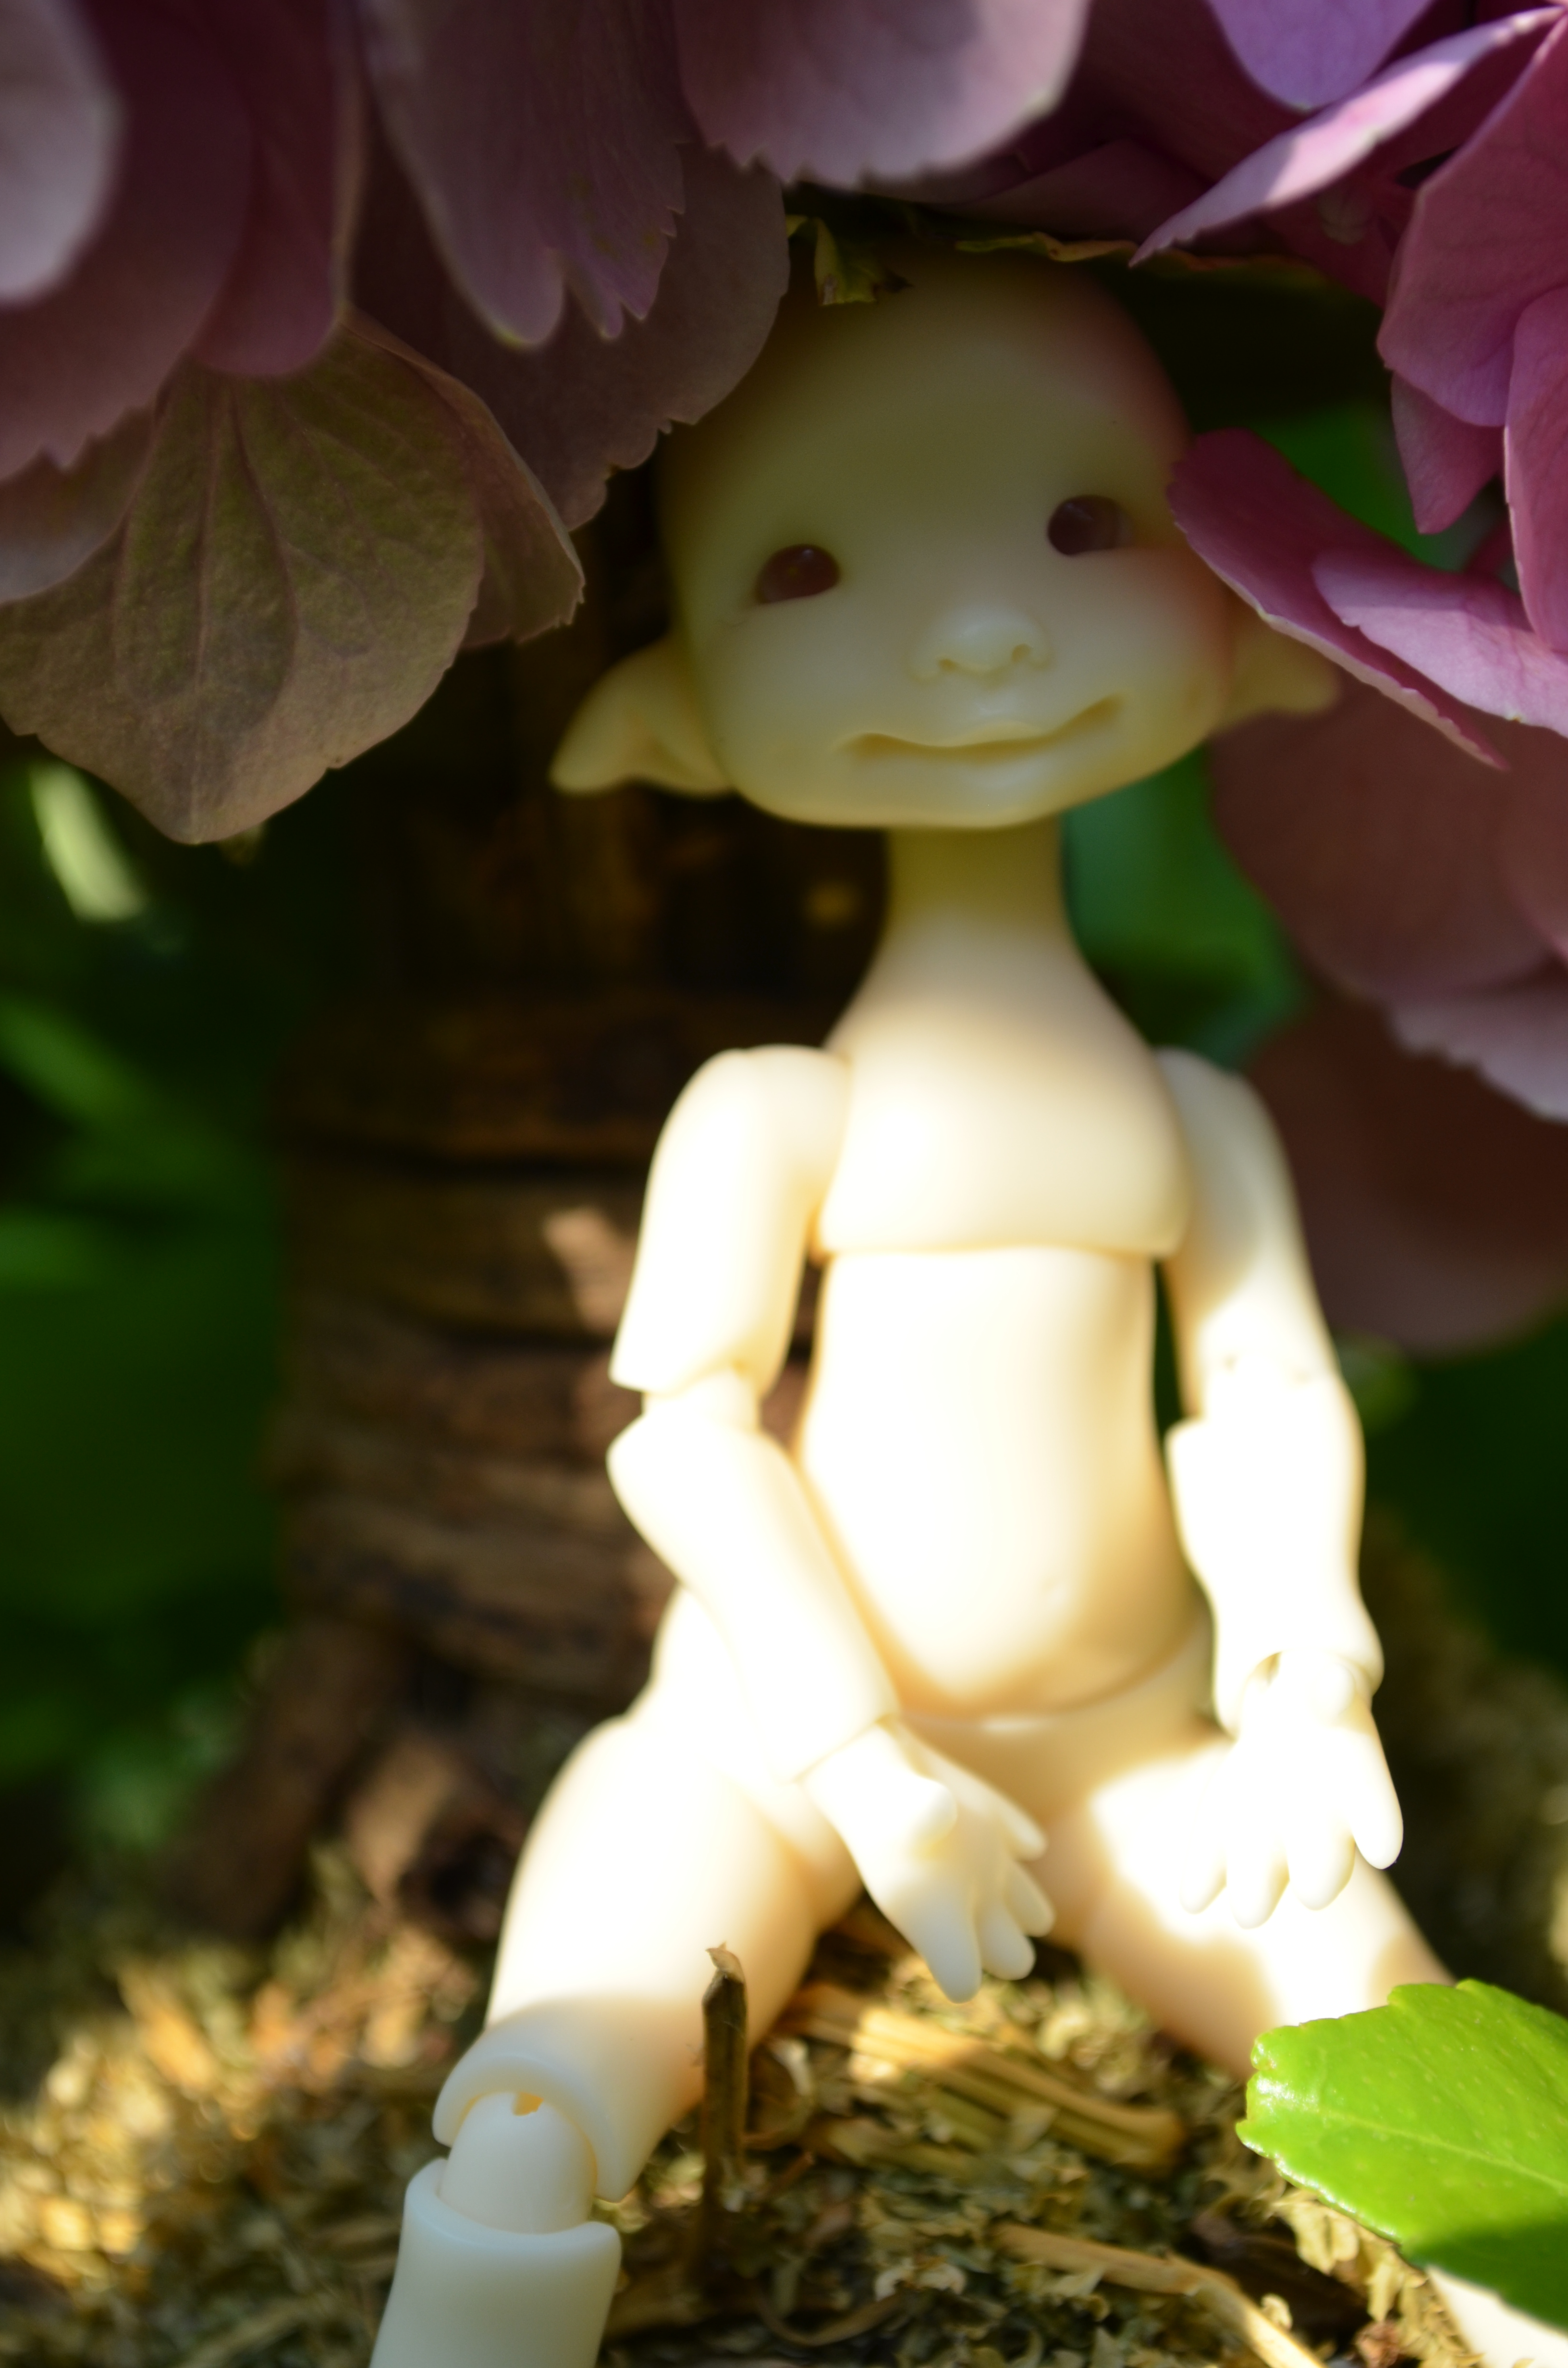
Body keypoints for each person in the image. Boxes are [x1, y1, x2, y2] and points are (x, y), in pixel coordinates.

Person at [371, 248, 1445, 2368]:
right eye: (805, 573)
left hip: (1130, 1746)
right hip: (762, 1743)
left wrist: (1307, 1689)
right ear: (677, 712)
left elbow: (1266, 1395)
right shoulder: (779, 1109)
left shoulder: (1193, 1116)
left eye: (1082, 529)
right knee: (547, 2087)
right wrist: (862, 1763)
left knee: (1402, 2046)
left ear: (1240, 628)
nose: (976, 632)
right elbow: (687, 1438)